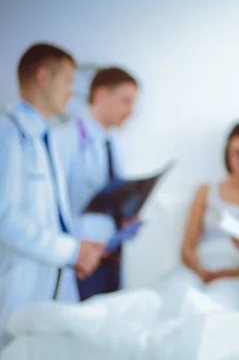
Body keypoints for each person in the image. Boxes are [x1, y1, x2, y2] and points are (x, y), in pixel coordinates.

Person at [0, 43, 105, 349]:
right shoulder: (8, 135)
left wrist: (78, 249)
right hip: (20, 285)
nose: (71, 91)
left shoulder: (44, 136)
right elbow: (5, 218)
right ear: (43, 76)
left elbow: (50, 214)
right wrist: (69, 251)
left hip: (52, 279)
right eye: (68, 81)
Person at [164, 122, 239, 311]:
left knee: (219, 301)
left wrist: (233, 273)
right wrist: (200, 271)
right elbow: (187, 245)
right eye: (238, 154)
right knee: (176, 294)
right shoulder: (205, 191)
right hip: (201, 268)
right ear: (227, 154)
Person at [53, 67, 139, 300]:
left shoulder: (112, 142)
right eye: (126, 101)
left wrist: (127, 216)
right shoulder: (64, 139)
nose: (130, 111)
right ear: (101, 94)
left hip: (111, 253)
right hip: (79, 257)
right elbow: (53, 206)